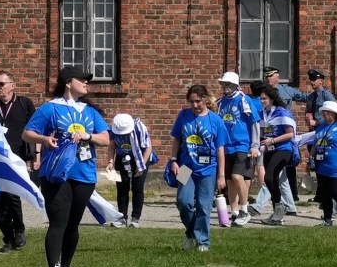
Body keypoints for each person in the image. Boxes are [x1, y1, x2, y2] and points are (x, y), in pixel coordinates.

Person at [21, 66, 108, 267]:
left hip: (84, 175)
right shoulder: (50, 109)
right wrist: (44, 140)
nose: (87, 83)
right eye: (82, 80)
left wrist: (88, 135)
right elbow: (27, 133)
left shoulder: (90, 112)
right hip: (56, 174)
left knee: (73, 223)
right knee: (58, 221)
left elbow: (106, 139)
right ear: (68, 82)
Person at [166, 84, 227, 251]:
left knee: (203, 206)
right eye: (191, 102)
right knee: (183, 202)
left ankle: (202, 241)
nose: (194, 105)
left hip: (208, 170)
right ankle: (192, 232)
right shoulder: (184, 115)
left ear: (206, 100)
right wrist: (173, 160)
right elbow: (177, 139)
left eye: (198, 101)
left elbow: (221, 149)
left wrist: (221, 175)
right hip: (185, 168)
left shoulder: (216, 121)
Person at [0, 71, 34, 252]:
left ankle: (19, 229)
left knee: (13, 196)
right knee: (0, 198)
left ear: (12, 85)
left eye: (2, 84)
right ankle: (8, 237)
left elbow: (34, 130)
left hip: (17, 157)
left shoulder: (24, 104)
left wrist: (36, 157)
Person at [216, 72, 261, 227]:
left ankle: (244, 209)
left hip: (241, 145)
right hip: (226, 146)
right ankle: (234, 212)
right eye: (223, 84)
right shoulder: (221, 102)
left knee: (237, 176)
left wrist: (255, 146)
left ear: (235, 85)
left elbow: (254, 122)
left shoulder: (243, 99)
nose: (225, 87)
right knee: (229, 181)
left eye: (228, 84)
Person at [257, 83, 299, 226]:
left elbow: (290, 134)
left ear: (272, 99)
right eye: (261, 99)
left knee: (269, 175)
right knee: (269, 180)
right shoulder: (262, 114)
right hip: (269, 149)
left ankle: (280, 207)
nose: (262, 101)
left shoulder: (281, 112)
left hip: (283, 149)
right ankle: (277, 213)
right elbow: (263, 133)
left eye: (265, 99)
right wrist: (261, 142)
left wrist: (272, 140)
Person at [109, 111, 152, 227]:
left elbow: (148, 147)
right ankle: (122, 217)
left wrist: (141, 165)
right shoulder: (114, 128)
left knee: (137, 187)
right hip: (121, 158)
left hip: (141, 158)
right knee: (122, 188)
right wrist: (111, 161)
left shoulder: (140, 128)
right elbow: (112, 146)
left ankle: (135, 219)